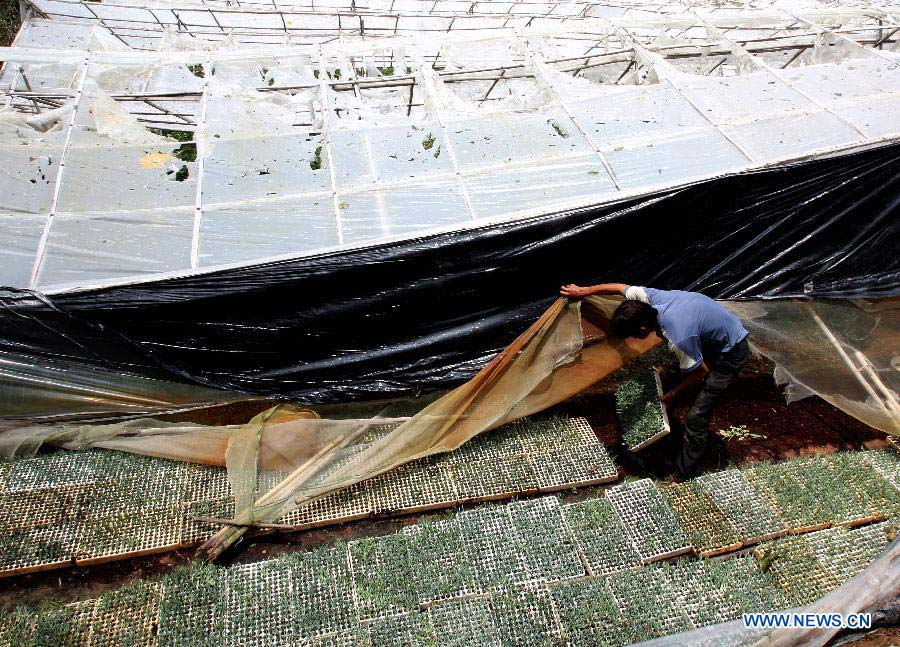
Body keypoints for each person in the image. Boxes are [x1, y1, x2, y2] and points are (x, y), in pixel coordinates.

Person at [559, 282, 749, 481]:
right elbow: (618, 287)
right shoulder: (648, 299)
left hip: (730, 351)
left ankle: (683, 472)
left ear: (643, 329)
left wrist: (673, 393)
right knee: (672, 379)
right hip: (709, 332)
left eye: (634, 335)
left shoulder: (679, 336)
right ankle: (662, 434)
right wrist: (583, 291)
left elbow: (701, 372)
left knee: (697, 415)